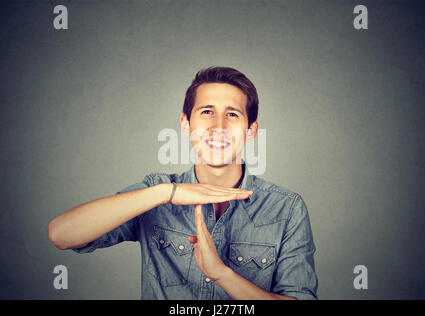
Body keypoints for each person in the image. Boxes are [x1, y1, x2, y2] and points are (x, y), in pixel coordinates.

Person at [48, 66, 318, 300]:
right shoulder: (156, 191)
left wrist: (222, 274)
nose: (218, 126)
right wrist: (167, 193)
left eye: (232, 114)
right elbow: (61, 234)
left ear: (251, 131)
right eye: (207, 112)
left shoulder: (287, 208)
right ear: (186, 124)